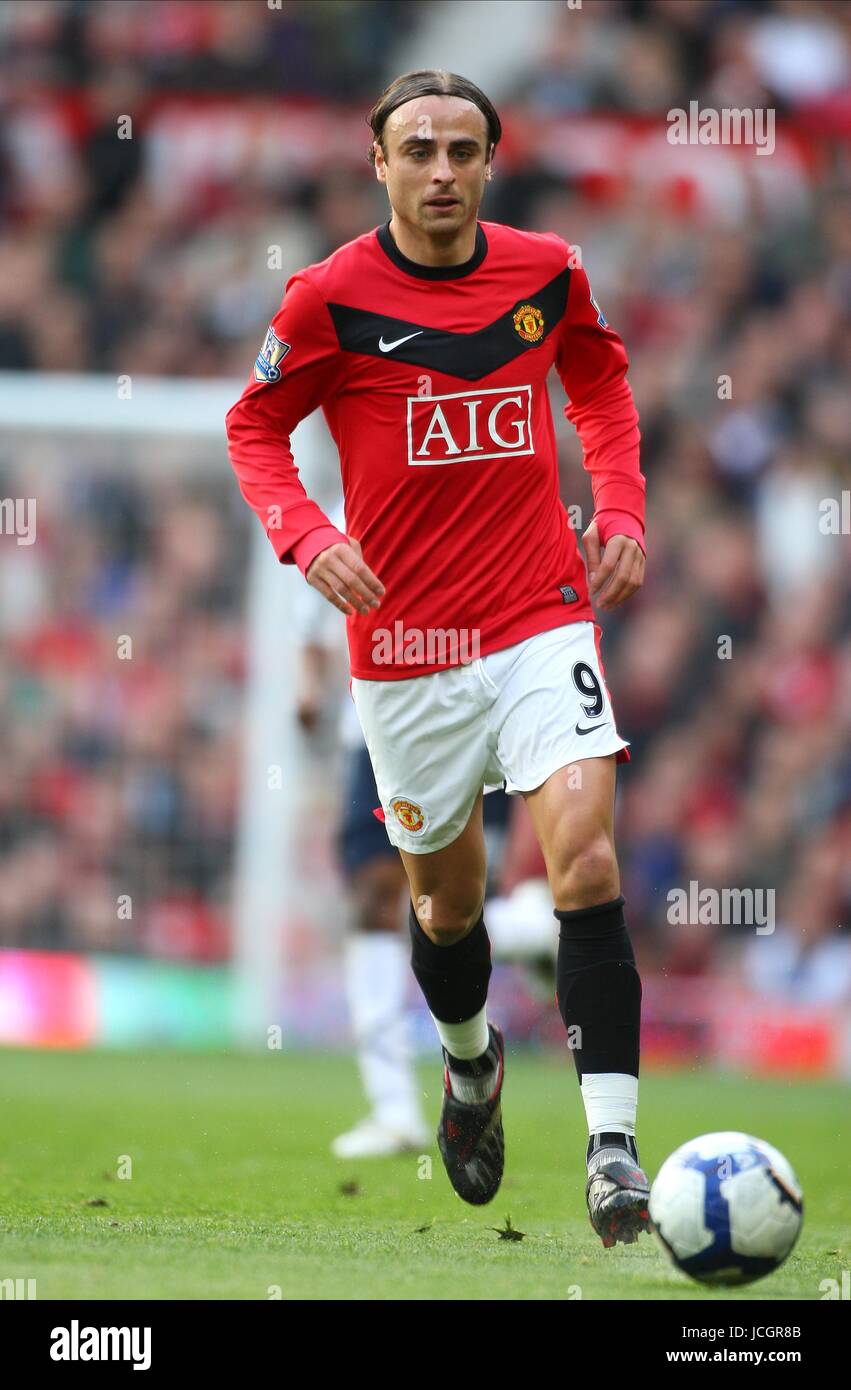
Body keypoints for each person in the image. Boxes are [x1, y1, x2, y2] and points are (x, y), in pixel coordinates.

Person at [226, 69, 650, 1247]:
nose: (443, 170)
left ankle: (611, 1151)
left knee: (584, 857)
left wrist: (617, 504)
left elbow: (600, 377)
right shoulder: (327, 299)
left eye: (463, 149)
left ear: (488, 162)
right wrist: (308, 538)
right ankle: (469, 1069)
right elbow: (252, 423)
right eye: (418, 149)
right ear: (380, 163)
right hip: (404, 648)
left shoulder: (546, 271)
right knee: (444, 904)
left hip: (536, 616)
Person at [293, 498, 429, 1158]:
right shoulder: (343, 512)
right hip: (372, 737)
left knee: (462, 904)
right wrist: (310, 690)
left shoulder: (457, 462)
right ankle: (394, 1107)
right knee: (374, 898)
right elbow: (315, 625)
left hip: (469, 720)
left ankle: (538, 932)